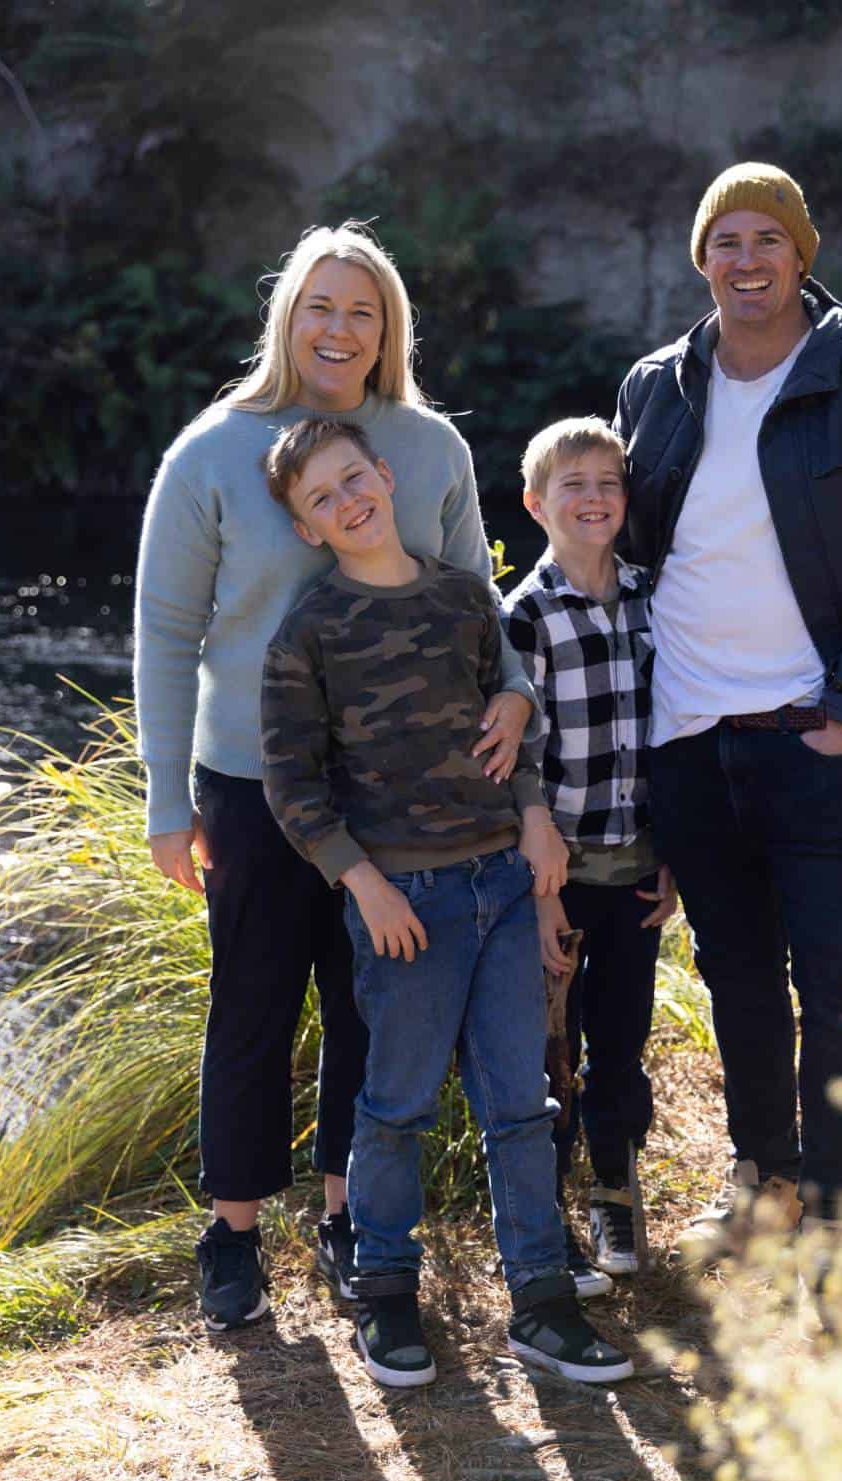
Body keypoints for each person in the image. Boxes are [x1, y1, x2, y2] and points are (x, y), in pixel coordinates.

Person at [133, 222, 536, 1332]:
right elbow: (167, 631)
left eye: (363, 311)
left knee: (375, 1006)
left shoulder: (429, 449)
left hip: (400, 792)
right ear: (287, 317)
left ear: (387, 329)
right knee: (253, 1006)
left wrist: (514, 692)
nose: (340, 329)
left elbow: (475, 596)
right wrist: (168, 798)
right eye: (321, 306)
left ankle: (352, 1217)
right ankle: (234, 1231)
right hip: (253, 788)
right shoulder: (211, 454)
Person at [613, 162, 842, 1302]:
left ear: (801, 254)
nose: (746, 259)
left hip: (819, 739)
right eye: (724, 239)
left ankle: (834, 1222)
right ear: (699, 258)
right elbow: (626, 556)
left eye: (768, 237)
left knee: (840, 988)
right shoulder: (656, 388)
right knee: (738, 983)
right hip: (688, 745)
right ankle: (761, 1175)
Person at [259, 415, 634, 1387]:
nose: (348, 502)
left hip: (504, 886)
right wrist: (366, 884)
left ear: (383, 474)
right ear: (309, 527)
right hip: (406, 905)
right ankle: (385, 1298)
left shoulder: (464, 598)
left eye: (354, 479)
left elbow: (514, 729)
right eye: (322, 500)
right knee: (396, 1107)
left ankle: (542, 1305)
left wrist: (536, 821)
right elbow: (293, 784)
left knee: (520, 1103)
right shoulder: (313, 629)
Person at [502, 417, 676, 1299]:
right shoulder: (521, 617)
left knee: (620, 1039)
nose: (595, 498)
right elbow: (513, 764)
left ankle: (615, 1185)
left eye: (609, 481)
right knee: (546, 1050)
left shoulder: (655, 597)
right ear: (536, 503)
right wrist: (537, 896)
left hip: (637, 865)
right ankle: (546, 1212)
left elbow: (677, 730)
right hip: (555, 878)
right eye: (573, 484)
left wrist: (674, 856)